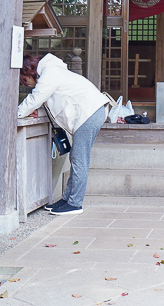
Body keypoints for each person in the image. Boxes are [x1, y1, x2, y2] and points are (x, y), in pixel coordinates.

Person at [17, 53, 108, 215]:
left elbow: (36, 97)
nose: (25, 84)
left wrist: (14, 114)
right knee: (77, 157)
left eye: (24, 79)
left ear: (29, 70)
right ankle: (67, 199)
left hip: (88, 113)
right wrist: (36, 112)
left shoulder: (50, 73)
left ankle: (75, 203)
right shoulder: (51, 72)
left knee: (79, 158)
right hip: (90, 112)